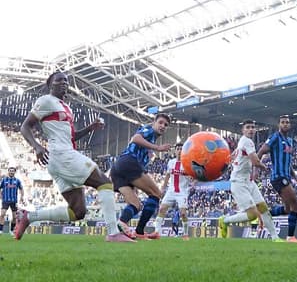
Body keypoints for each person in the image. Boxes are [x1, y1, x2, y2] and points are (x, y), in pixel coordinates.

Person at [15, 71, 134, 242]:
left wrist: (90, 128)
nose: (64, 83)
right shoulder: (46, 100)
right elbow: (25, 126)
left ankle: (29, 217)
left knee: (78, 212)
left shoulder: (66, 107)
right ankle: (113, 232)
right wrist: (37, 146)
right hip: (61, 155)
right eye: (59, 80)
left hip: (61, 158)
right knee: (105, 183)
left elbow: (71, 136)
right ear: (50, 84)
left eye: (66, 80)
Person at [110, 112, 173, 240]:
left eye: (166, 125)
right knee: (156, 194)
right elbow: (135, 138)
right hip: (128, 162)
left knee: (136, 205)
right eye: (160, 122)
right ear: (154, 123)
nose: (163, 126)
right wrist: (158, 148)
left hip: (118, 169)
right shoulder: (149, 130)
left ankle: (122, 223)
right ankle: (139, 231)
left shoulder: (149, 142)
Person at [218, 120, 281, 242]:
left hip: (248, 181)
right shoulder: (247, 141)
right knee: (252, 215)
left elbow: (237, 159)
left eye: (253, 127)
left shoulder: (242, 142)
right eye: (248, 127)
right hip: (239, 182)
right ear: (243, 130)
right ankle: (225, 220)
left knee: (263, 208)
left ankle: (275, 237)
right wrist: (265, 168)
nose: (251, 129)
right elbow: (255, 161)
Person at [257, 116, 297, 243]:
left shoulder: (289, 141)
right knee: (296, 204)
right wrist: (256, 168)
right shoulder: (275, 137)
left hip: (286, 176)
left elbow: (288, 162)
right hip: (278, 177)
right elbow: (261, 151)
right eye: (283, 122)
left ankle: (264, 215)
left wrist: (295, 177)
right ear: (279, 125)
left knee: (288, 209)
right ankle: (290, 237)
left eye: (287, 122)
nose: (285, 124)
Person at [154, 142, 191, 240]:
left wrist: (192, 181)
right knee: (162, 209)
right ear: (175, 151)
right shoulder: (171, 162)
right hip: (171, 191)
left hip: (182, 191)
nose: (179, 151)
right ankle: (157, 232)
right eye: (178, 149)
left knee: (183, 213)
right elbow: (167, 176)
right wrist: (163, 188)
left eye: (181, 149)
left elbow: (193, 176)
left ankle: (185, 234)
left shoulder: (187, 163)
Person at [0, 167, 24, 234]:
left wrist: (22, 197)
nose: (11, 172)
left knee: (14, 217)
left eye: (12, 171)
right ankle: (0, 229)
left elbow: (21, 189)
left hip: (14, 201)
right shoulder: (4, 180)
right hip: (5, 200)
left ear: (14, 172)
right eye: (10, 171)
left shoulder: (17, 180)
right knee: (2, 214)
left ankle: (12, 230)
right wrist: (1, 196)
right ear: (8, 172)